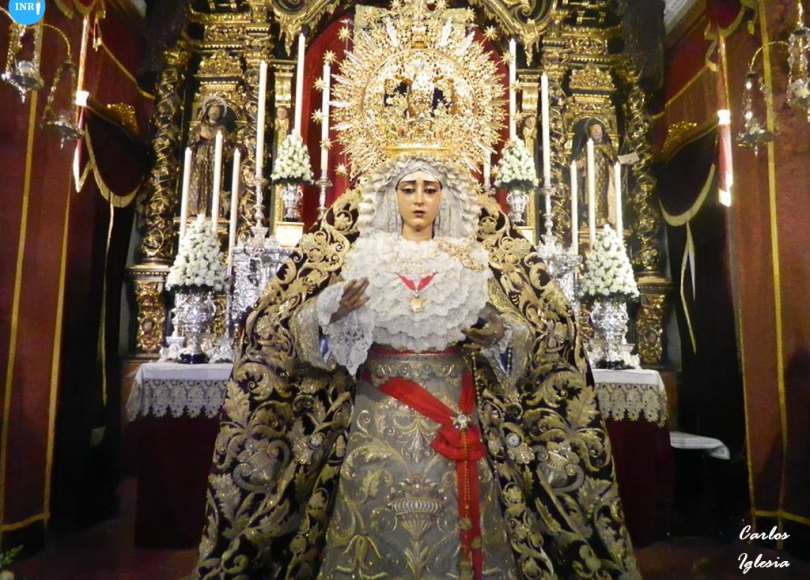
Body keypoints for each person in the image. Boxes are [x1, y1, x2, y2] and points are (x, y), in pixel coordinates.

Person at [194, 154, 639, 579]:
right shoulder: (364, 255)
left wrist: (499, 333)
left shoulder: (469, 258)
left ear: (445, 196)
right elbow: (301, 331)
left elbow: (517, 331)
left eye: (430, 189)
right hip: (376, 412)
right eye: (409, 189)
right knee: (374, 502)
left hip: (456, 407)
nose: (420, 199)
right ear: (393, 196)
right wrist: (332, 314)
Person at [188, 96, 233, 217]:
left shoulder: (222, 129)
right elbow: (191, 144)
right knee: (198, 183)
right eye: (212, 110)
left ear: (221, 114)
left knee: (214, 183)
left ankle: (213, 211)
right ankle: (196, 210)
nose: (214, 113)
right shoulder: (199, 128)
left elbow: (228, 149)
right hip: (200, 160)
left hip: (215, 160)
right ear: (207, 111)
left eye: (217, 111)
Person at [572, 118, 618, 228]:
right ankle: (593, 219)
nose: (598, 132)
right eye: (595, 130)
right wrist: (579, 164)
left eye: (599, 130)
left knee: (606, 197)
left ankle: (606, 219)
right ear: (590, 133)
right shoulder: (587, 148)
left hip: (606, 177)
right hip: (592, 178)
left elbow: (615, 160)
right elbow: (580, 160)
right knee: (593, 197)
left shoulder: (608, 147)